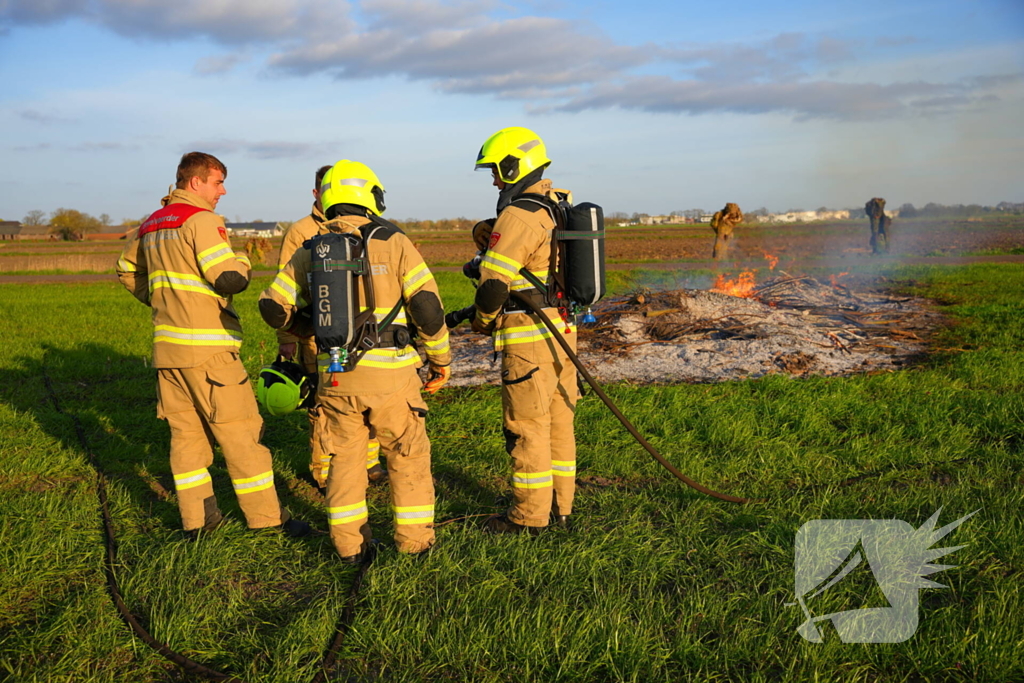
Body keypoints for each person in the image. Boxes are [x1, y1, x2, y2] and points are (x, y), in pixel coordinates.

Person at [259, 159, 451, 562]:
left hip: (336, 376)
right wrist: (440, 359)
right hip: (392, 376)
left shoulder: (310, 248)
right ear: (370, 196)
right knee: (406, 455)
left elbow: (272, 307)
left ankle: (350, 548)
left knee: (344, 462)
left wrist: (304, 329)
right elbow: (428, 308)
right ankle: (415, 546)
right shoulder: (394, 240)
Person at [115, 151, 309, 540]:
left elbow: (125, 270)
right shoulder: (201, 220)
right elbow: (228, 280)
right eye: (217, 182)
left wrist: (160, 298)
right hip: (208, 352)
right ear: (195, 182)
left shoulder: (152, 223)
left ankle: (198, 522)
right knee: (241, 436)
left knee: (186, 440)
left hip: (167, 352)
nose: (222, 191)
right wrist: (243, 260)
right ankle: (268, 519)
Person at [470, 126, 578, 534]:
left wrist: (482, 321)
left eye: (497, 171)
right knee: (559, 426)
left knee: (527, 430)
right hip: (563, 335)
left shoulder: (520, 214)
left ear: (515, 166)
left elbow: (494, 283)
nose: (495, 180)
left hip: (528, 339)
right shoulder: (560, 205)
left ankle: (529, 518)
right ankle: (561, 509)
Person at [275, 165, 386, 489]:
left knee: (366, 399)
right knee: (323, 406)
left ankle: (370, 462)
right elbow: (284, 292)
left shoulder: (367, 228)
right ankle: (325, 472)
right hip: (317, 339)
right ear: (316, 194)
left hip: (363, 336)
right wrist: (287, 337)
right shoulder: (301, 232)